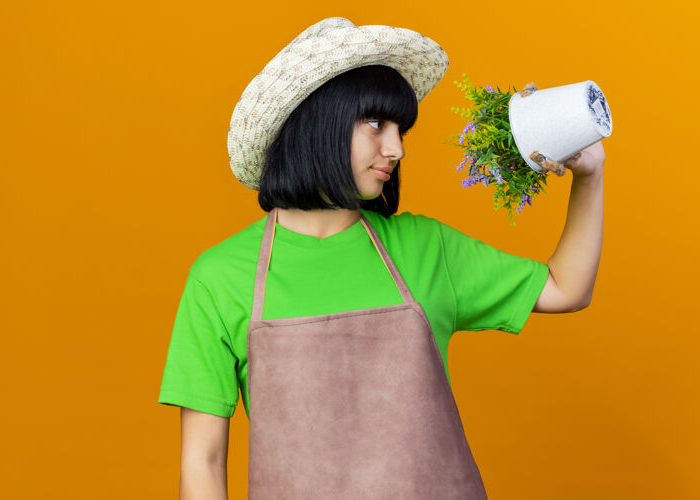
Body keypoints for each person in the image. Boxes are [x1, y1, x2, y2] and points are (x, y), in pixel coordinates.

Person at [158, 17, 605, 500]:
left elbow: (567, 288)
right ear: (319, 121)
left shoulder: (423, 247)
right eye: (376, 123)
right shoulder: (220, 277)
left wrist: (590, 176)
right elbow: (202, 460)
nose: (395, 148)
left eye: (400, 129)